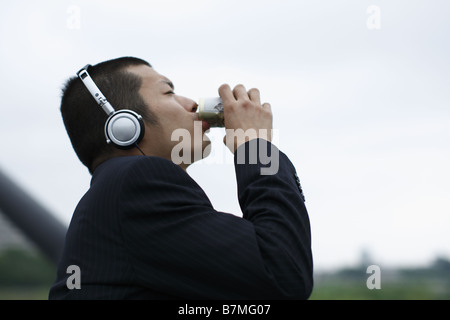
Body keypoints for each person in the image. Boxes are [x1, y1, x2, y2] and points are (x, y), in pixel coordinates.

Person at [48, 56, 313, 299]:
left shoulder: (116, 192)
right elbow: (282, 274)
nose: (192, 104)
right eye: (169, 92)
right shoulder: (136, 181)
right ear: (123, 123)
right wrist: (255, 146)